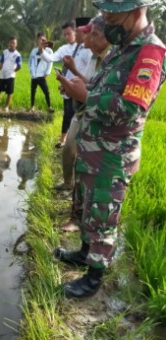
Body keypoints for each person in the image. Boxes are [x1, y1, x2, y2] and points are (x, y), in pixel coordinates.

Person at [54, 0, 166, 299]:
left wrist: (87, 97)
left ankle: (94, 278)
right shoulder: (121, 47)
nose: (107, 20)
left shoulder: (150, 53)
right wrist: (81, 88)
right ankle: (84, 252)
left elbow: (131, 108)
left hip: (113, 155)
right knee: (90, 207)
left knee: (104, 214)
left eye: (112, 15)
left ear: (136, 12)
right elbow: (103, 87)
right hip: (94, 147)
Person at [59, 16, 111, 232]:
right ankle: (71, 196)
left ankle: (82, 220)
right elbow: (88, 84)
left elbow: (99, 91)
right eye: (86, 32)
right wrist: (70, 86)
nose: (85, 36)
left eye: (91, 33)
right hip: (81, 113)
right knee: (69, 153)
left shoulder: (110, 59)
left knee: (87, 169)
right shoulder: (92, 58)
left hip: (95, 118)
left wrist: (76, 83)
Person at [41, 19, 92, 148]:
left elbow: (90, 72)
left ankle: (75, 143)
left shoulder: (86, 49)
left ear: (76, 32)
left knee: (79, 116)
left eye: (69, 33)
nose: (67, 36)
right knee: (68, 114)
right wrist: (42, 50)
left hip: (82, 88)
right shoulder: (64, 48)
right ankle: (64, 140)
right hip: (68, 87)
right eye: (65, 34)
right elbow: (51, 58)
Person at [0, 37, 22, 113]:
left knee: (9, 92)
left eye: (14, 43)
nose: (12, 44)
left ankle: (6, 107)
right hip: (2, 75)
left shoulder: (17, 55)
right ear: (8, 43)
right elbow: (1, 63)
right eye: (11, 42)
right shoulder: (5, 52)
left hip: (10, 76)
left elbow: (19, 66)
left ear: (16, 45)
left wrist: (14, 71)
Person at [28, 32, 54, 113]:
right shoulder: (34, 50)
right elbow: (30, 62)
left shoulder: (49, 51)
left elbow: (50, 63)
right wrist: (31, 70)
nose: (41, 41)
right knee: (33, 91)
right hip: (34, 75)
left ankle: (49, 107)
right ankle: (32, 107)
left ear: (45, 40)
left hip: (42, 75)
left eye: (42, 39)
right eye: (39, 39)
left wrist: (47, 73)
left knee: (46, 92)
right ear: (37, 40)